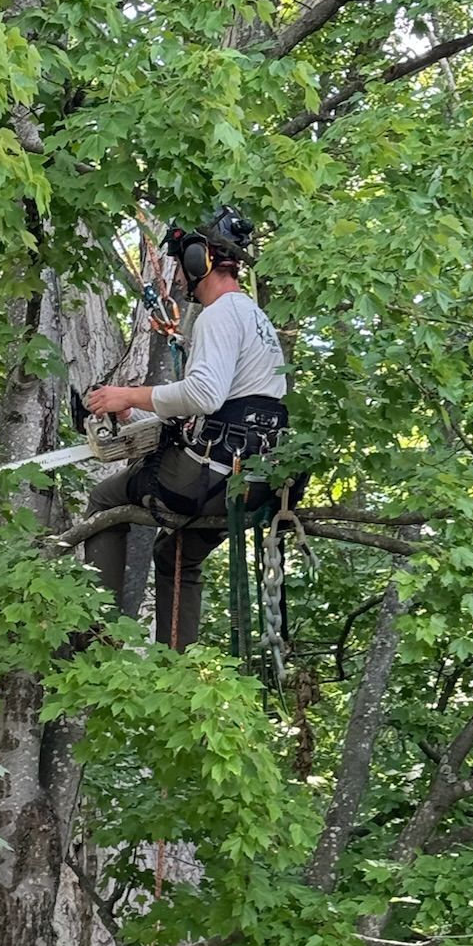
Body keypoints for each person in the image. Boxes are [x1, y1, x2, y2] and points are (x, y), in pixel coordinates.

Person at [83, 223, 288, 649]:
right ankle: (176, 669)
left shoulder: (218, 315)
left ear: (201, 261)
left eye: (180, 268)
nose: (178, 279)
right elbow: (225, 403)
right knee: (175, 555)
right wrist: (139, 408)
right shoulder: (256, 318)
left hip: (209, 476)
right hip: (252, 479)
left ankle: (95, 639)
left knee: (106, 497)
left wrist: (128, 394)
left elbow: (203, 394)